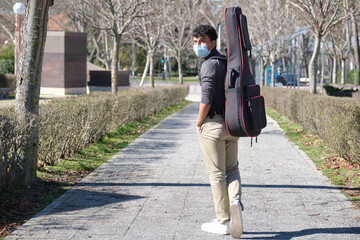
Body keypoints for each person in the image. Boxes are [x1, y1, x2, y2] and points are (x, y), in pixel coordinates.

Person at [192, 25, 244, 239]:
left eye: (202, 41)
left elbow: (206, 98)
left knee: (216, 174)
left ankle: (223, 221)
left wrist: (198, 121)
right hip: (232, 125)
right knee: (232, 168)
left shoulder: (209, 66)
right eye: (195, 42)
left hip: (213, 126)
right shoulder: (226, 62)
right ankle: (235, 202)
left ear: (213, 42)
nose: (198, 45)